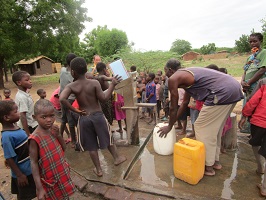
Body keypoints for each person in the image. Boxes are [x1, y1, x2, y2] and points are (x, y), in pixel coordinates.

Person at [158, 58, 243, 176]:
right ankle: (215, 161)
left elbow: (173, 106)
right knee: (215, 129)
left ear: (170, 70)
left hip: (221, 92)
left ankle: (208, 166)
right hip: (234, 88)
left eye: (165, 70)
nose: (165, 74)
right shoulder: (187, 76)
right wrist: (172, 122)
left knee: (201, 127)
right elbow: (184, 103)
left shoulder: (173, 78)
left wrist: (169, 125)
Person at [59, 57, 127, 177]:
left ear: (73, 72)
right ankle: (117, 158)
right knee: (108, 138)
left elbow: (62, 98)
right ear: (86, 70)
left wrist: (76, 110)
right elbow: (104, 98)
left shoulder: (72, 86)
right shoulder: (94, 83)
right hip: (98, 116)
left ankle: (99, 170)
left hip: (84, 118)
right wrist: (113, 85)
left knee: (91, 145)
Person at [29, 99, 75, 200]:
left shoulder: (53, 131)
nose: (49, 120)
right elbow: (33, 163)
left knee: (65, 196)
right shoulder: (35, 139)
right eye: (44, 117)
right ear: (34, 117)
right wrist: (39, 188)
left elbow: (64, 148)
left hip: (61, 173)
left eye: (52, 116)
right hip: (50, 180)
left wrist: (58, 135)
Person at [0, 100, 36, 200]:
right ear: (6, 117)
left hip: (28, 169)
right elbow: (9, 157)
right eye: (16, 111)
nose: (19, 113)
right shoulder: (7, 136)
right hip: (23, 173)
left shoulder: (15, 127)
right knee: (24, 196)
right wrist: (19, 175)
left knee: (31, 193)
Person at [238, 78, 266, 197]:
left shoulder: (264, 83)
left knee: (256, 143)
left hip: (259, 121)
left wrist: (244, 115)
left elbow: (253, 101)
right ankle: (264, 188)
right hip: (260, 120)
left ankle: (260, 167)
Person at [240, 33, 266, 133]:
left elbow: (262, 70)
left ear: (260, 41)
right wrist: (242, 81)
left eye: (255, 41)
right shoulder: (250, 57)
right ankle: (248, 130)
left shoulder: (264, 53)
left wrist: (249, 83)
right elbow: (245, 71)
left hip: (257, 87)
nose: (252, 43)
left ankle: (255, 133)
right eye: (250, 41)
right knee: (248, 107)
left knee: (256, 108)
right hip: (248, 87)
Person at [59, 53, 77, 148]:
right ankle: (74, 141)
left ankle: (60, 136)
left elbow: (60, 82)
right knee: (71, 120)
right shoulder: (72, 73)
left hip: (61, 97)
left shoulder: (62, 70)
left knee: (64, 119)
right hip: (69, 99)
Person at [12, 71, 38, 135]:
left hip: (32, 123)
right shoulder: (22, 97)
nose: (30, 81)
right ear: (19, 82)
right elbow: (22, 116)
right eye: (27, 80)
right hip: (30, 127)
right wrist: (28, 133)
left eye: (30, 79)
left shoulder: (24, 93)